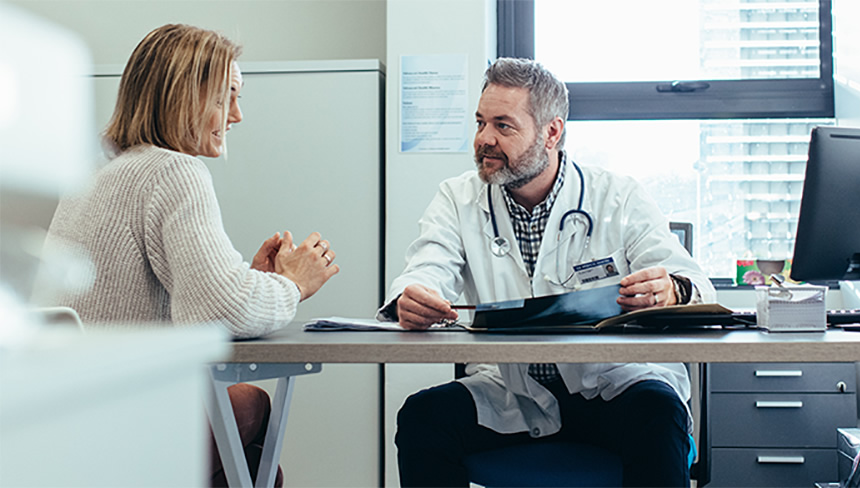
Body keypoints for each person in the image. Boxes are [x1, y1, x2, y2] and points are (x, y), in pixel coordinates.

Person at [377, 58, 717, 487]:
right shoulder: (458, 198)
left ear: (551, 132)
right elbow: (428, 266)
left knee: (659, 412)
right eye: (480, 122)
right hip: (513, 391)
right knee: (424, 416)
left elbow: (692, 283)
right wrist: (413, 297)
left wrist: (670, 290)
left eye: (503, 126)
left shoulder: (618, 196)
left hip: (612, 387)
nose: (484, 139)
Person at [42, 24, 339, 487]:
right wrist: (293, 283)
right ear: (184, 97)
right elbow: (217, 310)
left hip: (60, 423)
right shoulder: (174, 170)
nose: (236, 115)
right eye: (227, 97)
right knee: (251, 408)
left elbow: (190, 295)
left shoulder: (97, 172)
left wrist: (253, 279)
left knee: (258, 463)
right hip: (122, 426)